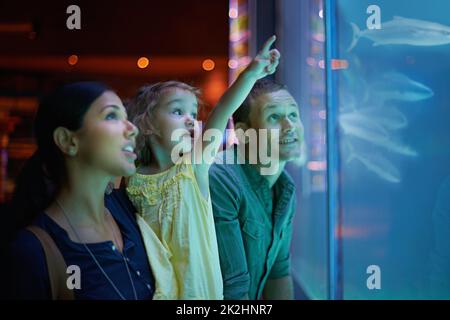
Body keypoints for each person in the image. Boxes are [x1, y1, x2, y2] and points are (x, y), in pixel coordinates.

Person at [124, 36, 280, 299]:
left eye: (193, 114)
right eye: (177, 112)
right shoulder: (131, 178)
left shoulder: (193, 165)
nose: (190, 120)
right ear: (147, 123)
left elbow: (222, 109)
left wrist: (251, 73)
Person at [9, 82, 155, 300]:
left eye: (125, 116)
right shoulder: (32, 253)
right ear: (68, 141)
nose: (132, 128)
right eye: (111, 116)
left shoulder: (129, 210)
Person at [209, 78, 304, 299]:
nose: (289, 126)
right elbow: (233, 290)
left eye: (293, 115)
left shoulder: (284, 186)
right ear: (243, 134)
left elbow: (278, 272)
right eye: (274, 117)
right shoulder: (222, 178)